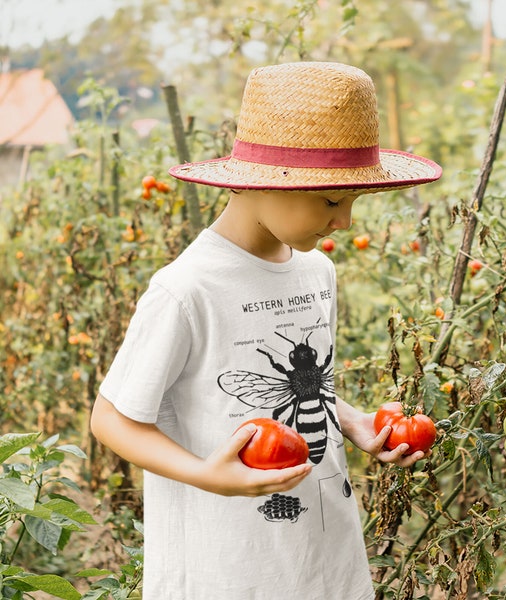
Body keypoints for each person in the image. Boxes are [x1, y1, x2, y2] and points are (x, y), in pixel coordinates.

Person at [90, 61, 442, 600]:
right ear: (262, 183)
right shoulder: (188, 289)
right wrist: (209, 475)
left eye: (353, 201)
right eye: (330, 201)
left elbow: (315, 386)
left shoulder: (315, 270)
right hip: (228, 566)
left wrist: (354, 422)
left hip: (323, 552)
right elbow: (112, 419)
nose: (344, 222)